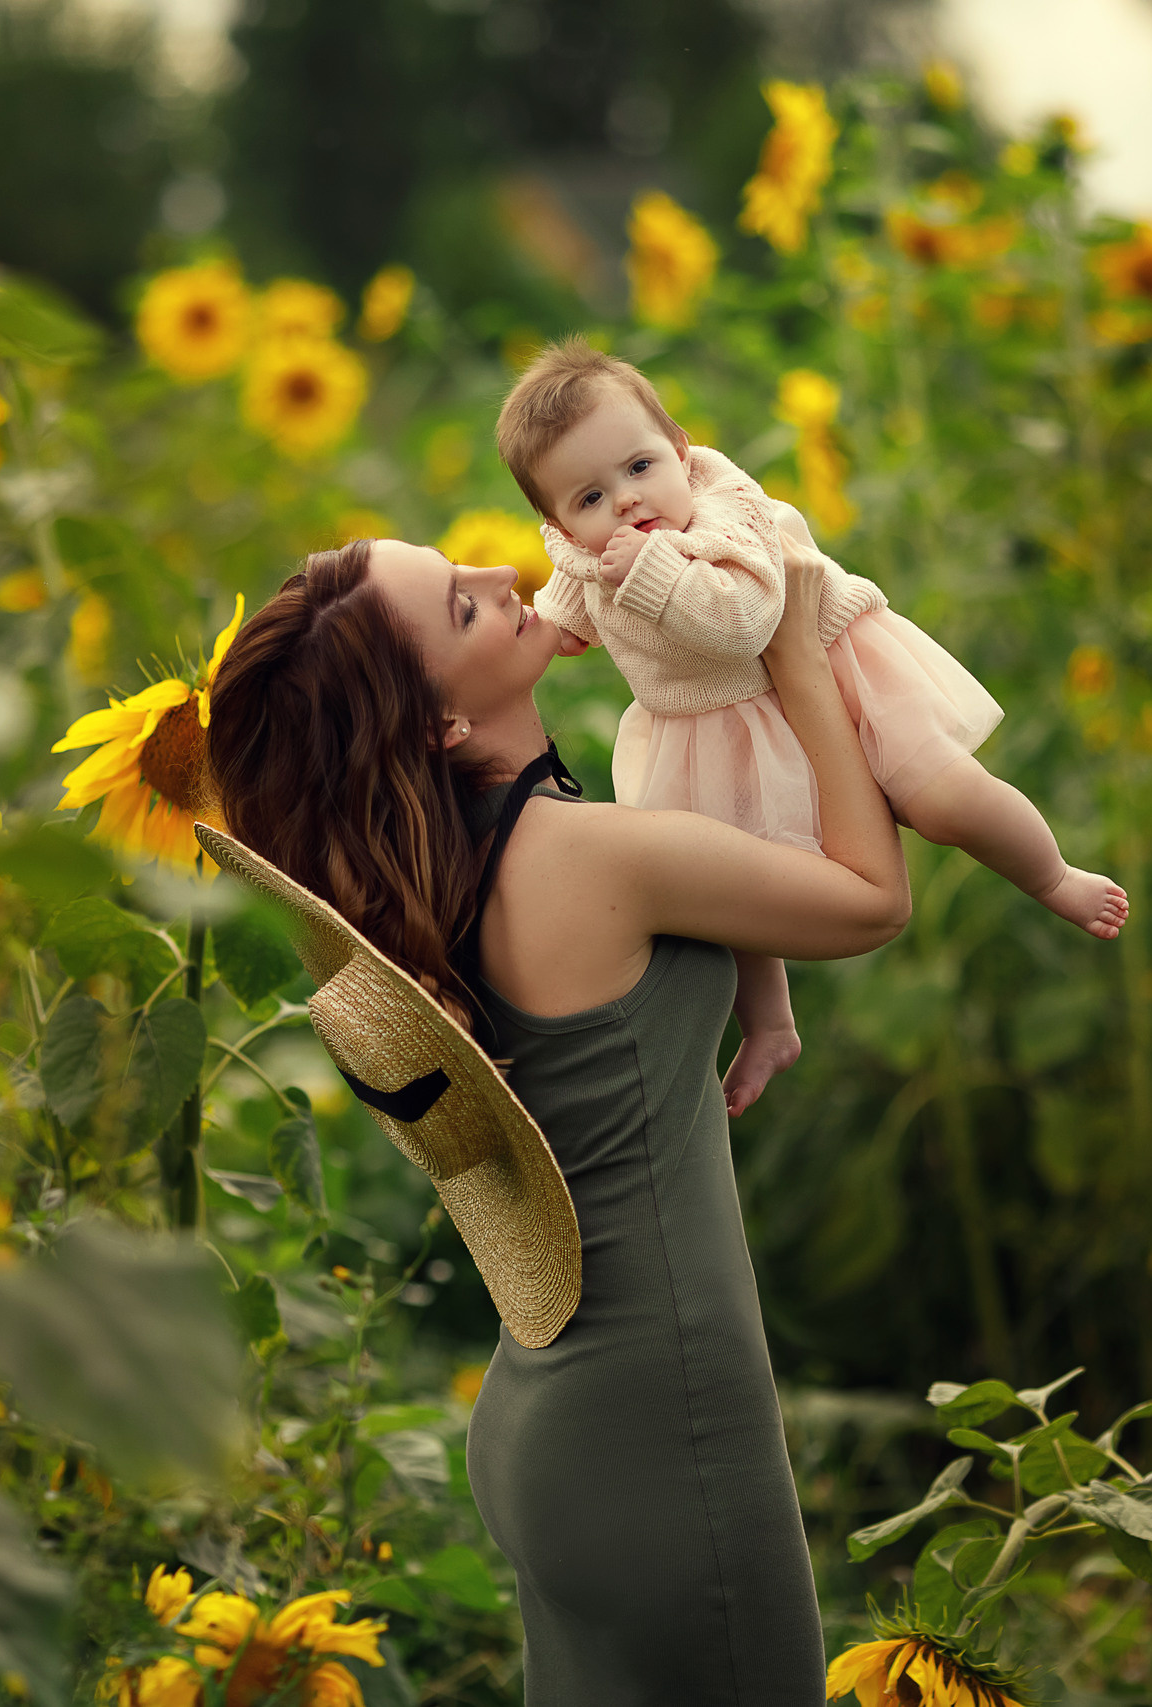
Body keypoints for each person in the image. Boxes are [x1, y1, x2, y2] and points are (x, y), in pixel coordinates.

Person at [206, 534, 913, 1705]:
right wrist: (792, 649)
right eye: (462, 608)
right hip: (660, 1423)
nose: (502, 578)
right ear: (439, 724)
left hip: (552, 1414)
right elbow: (873, 900)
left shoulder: (449, 881)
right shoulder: (590, 857)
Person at [500, 339, 1128, 1117]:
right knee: (734, 878)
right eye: (591, 497)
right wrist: (547, 632)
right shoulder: (587, 555)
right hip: (717, 717)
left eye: (639, 466)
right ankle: (771, 1024)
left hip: (836, 669)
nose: (626, 501)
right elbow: (565, 613)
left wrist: (654, 571)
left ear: (681, 449)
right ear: (558, 523)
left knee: (942, 799)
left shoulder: (729, 512)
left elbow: (745, 622)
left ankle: (1052, 875)